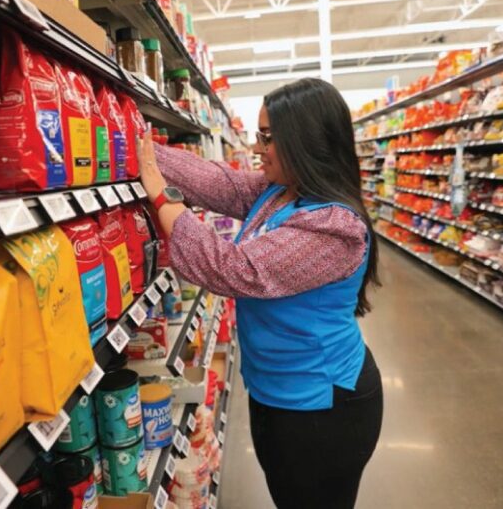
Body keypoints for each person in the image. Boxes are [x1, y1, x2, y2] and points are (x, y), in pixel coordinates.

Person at [139, 78, 382, 509]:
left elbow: (236, 269)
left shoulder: (335, 227)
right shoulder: (279, 193)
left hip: (323, 404)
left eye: (268, 137)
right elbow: (221, 184)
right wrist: (141, 149)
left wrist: (163, 199)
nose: (256, 147)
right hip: (275, 390)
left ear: (304, 141)